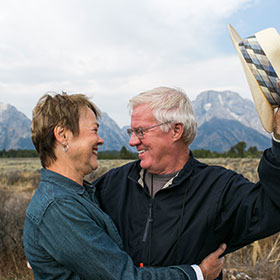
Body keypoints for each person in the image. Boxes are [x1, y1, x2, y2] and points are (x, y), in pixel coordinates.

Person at [23, 92, 226, 280]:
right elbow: (123, 277)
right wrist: (199, 273)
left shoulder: (79, 195)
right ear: (63, 135)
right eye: (94, 130)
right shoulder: (59, 207)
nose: (100, 140)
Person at [93, 86, 280, 279]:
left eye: (141, 131)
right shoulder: (113, 183)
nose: (132, 142)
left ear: (176, 130)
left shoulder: (219, 188)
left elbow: (272, 209)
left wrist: (279, 140)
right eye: (131, 131)